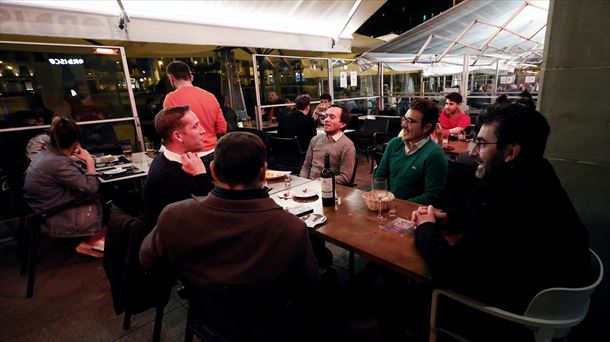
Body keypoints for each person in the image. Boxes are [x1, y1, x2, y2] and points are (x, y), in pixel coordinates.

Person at [412, 104, 591, 338]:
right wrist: (449, 217)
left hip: (518, 314)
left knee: (416, 294)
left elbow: (449, 270)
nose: (473, 152)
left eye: (483, 144)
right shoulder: (535, 172)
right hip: (550, 294)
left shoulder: (514, 201)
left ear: (510, 152)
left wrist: (425, 228)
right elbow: (482, 209)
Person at [140, 132, 320, 337]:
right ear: (263, 172)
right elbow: (310, 286)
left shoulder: (174, 215)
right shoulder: (291, 228)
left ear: (212, 171)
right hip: (269, 326)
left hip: (207, 317)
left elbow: (147, 259)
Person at [23, 116, 106, 258]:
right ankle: (89, 243)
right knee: (108, 202)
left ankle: (98, 239)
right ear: (75, 141)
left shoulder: (46, 154)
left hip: (40, 207)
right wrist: (89, 160)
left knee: (105, 196)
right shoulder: (57, 162)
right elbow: (91, 187)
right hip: (51, 214)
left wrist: (73, 157)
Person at [143, 105, 213, 226]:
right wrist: (201, 175)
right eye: (196, 126)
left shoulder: (164, 159)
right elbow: (207, 218)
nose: (203, 131)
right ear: (178, 136)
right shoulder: (169, 177)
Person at [375, 98, 448, 204]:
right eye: (404, 119)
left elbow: (431, 196)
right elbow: (380, 176)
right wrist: (381, 200)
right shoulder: (394, 144)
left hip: (412, 214)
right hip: (387, 207)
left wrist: (397, 205)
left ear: (427, 127)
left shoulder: (435, 155)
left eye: (410, 121)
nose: (403, 125)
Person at [163, 61, 227, 153]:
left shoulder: (171, 99)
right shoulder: (210, 96)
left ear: (170, 77)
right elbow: (222, 128)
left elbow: (171, 132)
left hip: (190, 155)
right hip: (213, 152)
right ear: (190, 76)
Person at [300, 104, 356, 186]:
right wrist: (303, 183)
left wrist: (321, 181)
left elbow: (345, 178)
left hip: (331, 190)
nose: (326, 120)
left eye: (332, 117)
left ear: (342, 124)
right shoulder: (315, 139)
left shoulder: (347, 145)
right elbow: (306, 166)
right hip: (309, 187)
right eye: (326, 116)